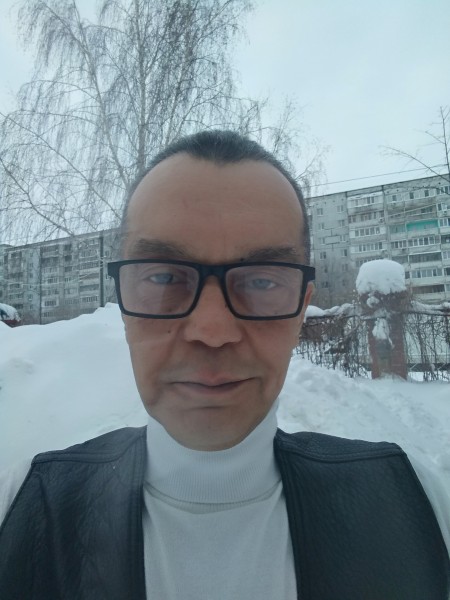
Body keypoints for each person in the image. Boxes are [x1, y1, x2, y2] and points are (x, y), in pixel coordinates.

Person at [0, 130, 449, 599]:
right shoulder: (22, 507)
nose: (212, 331)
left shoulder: (417, 503)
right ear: (123, 303)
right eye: (163, 277)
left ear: (301, 309)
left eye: (261, 281)